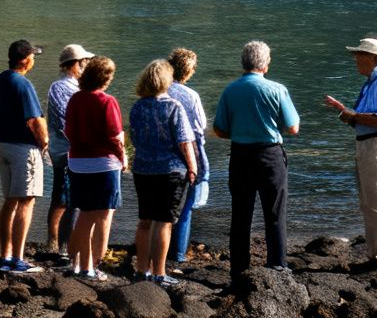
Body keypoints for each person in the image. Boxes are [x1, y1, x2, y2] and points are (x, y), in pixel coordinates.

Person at [210, 40, 300, 274]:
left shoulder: (230, 90)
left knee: (240, 214)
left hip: (240, 155)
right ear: (266, 65)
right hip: (270, 155)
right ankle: (277, 265)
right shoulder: (277, 89)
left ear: (243, 63)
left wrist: (239, 131)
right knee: (275, 213)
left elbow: (219, 129)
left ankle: (239, 268)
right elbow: (293, 128)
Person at [323, 37, 377, 271]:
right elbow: (370, 120)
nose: (356, 60)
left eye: (359, 55)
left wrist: (351, 114)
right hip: (374, 142)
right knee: (374, 200)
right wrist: (346, 113)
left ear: (372, 57)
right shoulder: (375, 81)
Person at [128, 59, 197, 285]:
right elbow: (184, 142)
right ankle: (159, 272)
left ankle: (141, 269)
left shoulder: (137, 107)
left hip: (143, 168)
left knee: (145, 221)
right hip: (170, 169)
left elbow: (135, 138)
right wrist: (193, 166)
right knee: (164, 222)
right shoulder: (173, 106)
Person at [0, 39, 48, 274]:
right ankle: (19, 260)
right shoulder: (23, 84)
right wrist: (45, 142)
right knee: (26, 200)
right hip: (23, 150)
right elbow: (35, 120)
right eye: (34, 57)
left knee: (10, 201)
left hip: (2, 147)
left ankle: (4, 257)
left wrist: (6, 130)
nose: (34, 61)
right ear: (27, 60)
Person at [64, 56, 125, 282]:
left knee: (85, 213)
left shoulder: (75, 99)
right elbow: (114, 137)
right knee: (100, 215)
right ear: (105, 77)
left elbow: (68, 131)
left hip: (78, 162)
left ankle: (81, 264)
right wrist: (123, 158)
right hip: (103, 164)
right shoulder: (107, 101)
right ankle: (88, 262)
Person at [46, 44, 95, 263]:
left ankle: (59, 242)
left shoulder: (75, 87)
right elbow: (68, 121)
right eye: (84, 63)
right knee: (63, 198)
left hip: (71, 149)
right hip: (66, 150)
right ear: (74, 65)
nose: (86, 66)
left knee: (66, 197)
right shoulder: (61, 87)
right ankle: (55, 243)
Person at [164, 48, 210, 266]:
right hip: (186, 155)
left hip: (160, 154)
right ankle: (178, 255)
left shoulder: (157, 90)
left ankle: (156, 251)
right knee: (185, 209)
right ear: (188, 70)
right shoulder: (191, 96)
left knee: (160, 209)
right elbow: (200, 128)